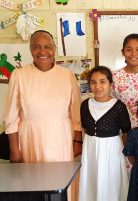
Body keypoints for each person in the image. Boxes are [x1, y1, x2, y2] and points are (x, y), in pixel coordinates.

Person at [3, 30, 81, 201]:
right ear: (30, 50)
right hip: (30, 139)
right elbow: (11, 117)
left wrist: (77, 141)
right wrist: (14, 150)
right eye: (37, 47)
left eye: (47, 46)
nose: (43, 51)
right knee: (33, 187)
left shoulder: (67, 75)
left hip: (61, 139)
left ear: (54, 49)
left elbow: (76, 113)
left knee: (61, 187)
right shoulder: (19, 75)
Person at [78, 66, 131, 201]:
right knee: (91, 182)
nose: (98, 86)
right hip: (91, 150)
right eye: (93, 82)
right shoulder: (84, 105)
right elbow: (84, 128)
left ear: (110, 84)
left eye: (102, 82)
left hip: (111, 152)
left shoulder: (119, 106)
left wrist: (124, 155)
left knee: (110, 183)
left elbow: (126, 132)